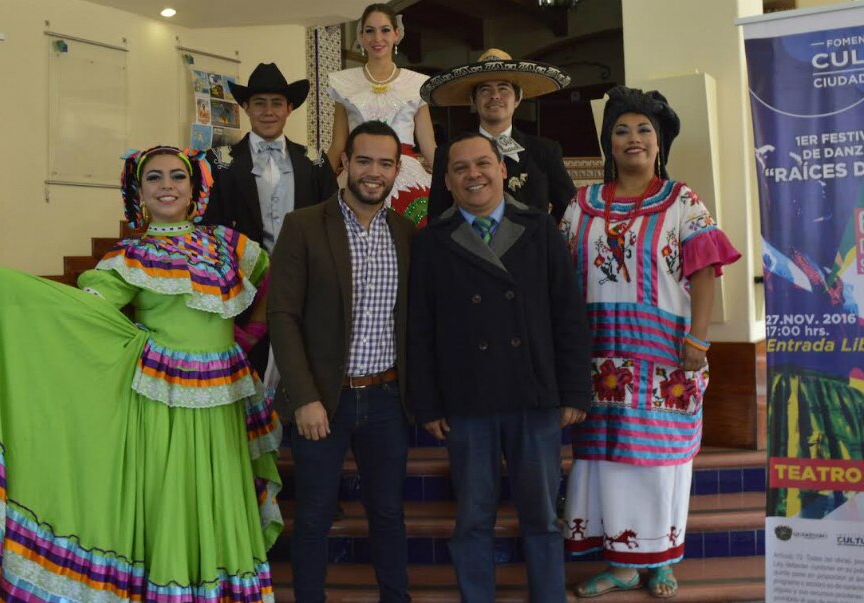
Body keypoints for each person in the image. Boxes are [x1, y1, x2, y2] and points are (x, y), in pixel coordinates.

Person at [0, 146, 282, 602]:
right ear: (138, 192)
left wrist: (251, 333)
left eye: (177, 177)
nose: (167, 186)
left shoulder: (230, 244)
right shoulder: (130, 257)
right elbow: (84, 312)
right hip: (165, 404)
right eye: (154, 178)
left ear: (194, 187)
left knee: (219, 500)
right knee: (176, 502)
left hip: (225, 398)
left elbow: (267, 276)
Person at [560, 87, 741, 599]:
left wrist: (699, 341)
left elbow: (706, 272)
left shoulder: (682, 201)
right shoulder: (582, 205)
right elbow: (559, 276)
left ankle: (661, 557)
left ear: (659, 142)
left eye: (643, 129)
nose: (633, 138)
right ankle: (620, 564)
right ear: (608, 144)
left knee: (662, 460)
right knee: (607, 459)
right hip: (598, 356)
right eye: (621, 130)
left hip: (666, 355)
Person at [408, 131, 592, 603]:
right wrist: (427, 404)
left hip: (534, 398)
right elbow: (420, 329)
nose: (474, 174)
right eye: (461, 168)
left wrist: (574, 391)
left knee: (541, 518)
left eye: (483, 164)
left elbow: (567, 313)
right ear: (447, 180)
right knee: (472, 518)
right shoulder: (432, 242)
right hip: (468, 402)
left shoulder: (539, 227)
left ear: (503, 170)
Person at [269, 121, 415, 603]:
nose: (374, 172)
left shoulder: (408, 234)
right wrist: (305, 397)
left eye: (385, 163)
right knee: (312, 515)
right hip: (324, 402)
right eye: (365, 160)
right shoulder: (305, 225)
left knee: (389, 514)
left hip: (388, 398)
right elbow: (283, 316)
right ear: (345, 164)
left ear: (397, 169)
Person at [203, 62, 338, 374]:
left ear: (289, 108)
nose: (268, 111)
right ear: (246, 108)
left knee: (302, 364)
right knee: (250, 370)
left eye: (277, 103)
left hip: (303, 282)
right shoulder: (220, 162)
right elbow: (211, 228)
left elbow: (332, 222)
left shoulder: (314, 161)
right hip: (245, 286)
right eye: (259, 104)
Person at [421, 48, 576, 223]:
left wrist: (543, 237)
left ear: (518, 98)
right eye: (485, 90)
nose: (495, 96)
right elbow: (437, 215)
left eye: (503, 89)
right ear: (473, 100)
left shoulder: (544, 151)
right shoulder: (448, 153)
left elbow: (569, 206)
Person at [326, 3, 436, 228]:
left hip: (406, 175)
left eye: (385, 30)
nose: (378, 38)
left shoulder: (416, 84)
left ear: (397, 34)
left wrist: (452, 179)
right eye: (370, 30)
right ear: (361, 37)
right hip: (357, 171)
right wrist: (319, 187)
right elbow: (338, 144)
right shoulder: (344, 83)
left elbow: (429, 146)